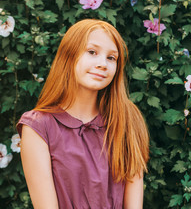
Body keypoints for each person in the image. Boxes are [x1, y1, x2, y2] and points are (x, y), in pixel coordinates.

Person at [16, 19, 149, 209]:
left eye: (111, 58)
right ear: (69, 56)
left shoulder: (127, 119)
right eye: (92, 52)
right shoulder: (38, 126)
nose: (103, 64)